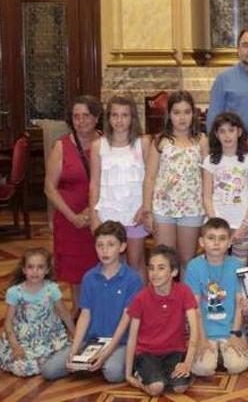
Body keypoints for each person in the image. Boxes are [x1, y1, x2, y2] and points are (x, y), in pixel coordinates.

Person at [41, 221, 143, 383]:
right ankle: (87, 362)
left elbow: (126, 319)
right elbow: (84, 315)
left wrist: (108, 351)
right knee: (49, 370)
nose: (105, 250)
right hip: (91, 341)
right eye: (100, 245)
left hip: (120, 342)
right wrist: (74, 350)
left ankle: (108, 361)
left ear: (122, 247)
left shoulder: (132, 280)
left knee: (113, 372)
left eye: (110, 245)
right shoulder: (89, 277)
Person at [44, 95, 102, 314]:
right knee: (74, 275)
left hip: (97, 216)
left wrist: (89, 212)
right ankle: (79, 316)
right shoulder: (61, 146)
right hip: (69, 219)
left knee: (100, 266)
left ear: (96, 118)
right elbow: (49, 187)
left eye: (86, 115)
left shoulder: (106, 143)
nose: (81, 121)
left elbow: (112, 181)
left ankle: (100, 315)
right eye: (76, 116)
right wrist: (72, 216)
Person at [143, 90, 208, 273]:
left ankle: (186, 300)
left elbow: (207, 177)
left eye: (187, 112)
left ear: (193, 114)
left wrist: (208, 207)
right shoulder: (160, 141)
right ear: (169, 115)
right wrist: (147, 210)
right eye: (177, 112)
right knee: (164, 258)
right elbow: (149, 177)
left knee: (188, 259)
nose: (182, 118)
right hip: (164, 207)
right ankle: (163, 300)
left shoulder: (201, 141)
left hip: (192, 208)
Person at [90, 96, 150, 282]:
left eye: (125, 115)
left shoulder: (143, 143)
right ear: (108, 118)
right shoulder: (98, 146)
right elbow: (94, 182)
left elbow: (150, 179)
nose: (119, 120)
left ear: (133, 118)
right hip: (108, 212)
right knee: (112, 263)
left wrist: (144, 208)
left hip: (135, 214)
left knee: (135, 262)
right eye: (114, 115)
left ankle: (139, 308)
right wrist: (93, 215)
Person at [125, 245, 199, 396]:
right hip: (147, 353)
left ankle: (164, 376)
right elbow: (132, 338)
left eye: (161, 268)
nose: (154, 273)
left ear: (174, 272)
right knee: (156, 388)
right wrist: (128, 375)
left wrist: (187, 363)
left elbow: (194, 331)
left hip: (175, 352)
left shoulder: (184, 292)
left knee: (179, 388)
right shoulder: (141, 298)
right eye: (151, 268)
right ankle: (144, 375)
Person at [184, 218, 248, 376]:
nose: (216, 243)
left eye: (222, 238)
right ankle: (216, 353)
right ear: (201, 241)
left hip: (230, 329)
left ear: (229, 242)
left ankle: (222, 352)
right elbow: (194, 308)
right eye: (211, 238)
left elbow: (239, 304)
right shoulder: (194, 266)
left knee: (238, 366)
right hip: (204, 330)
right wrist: (200, 337)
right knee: (203, 369)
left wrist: (235, 334)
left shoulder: (237, 265)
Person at [0, 248, 74, 377]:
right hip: (23, 340)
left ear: (47, 270)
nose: (35, 271)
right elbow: (8, 323)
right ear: (24, 270)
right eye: (30, 267)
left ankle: (49, 362)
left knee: (63, 353)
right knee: (20, 367)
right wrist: (15, 346)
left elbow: (64, 314)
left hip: (49, 338)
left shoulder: (51, 289)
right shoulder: (14, 292)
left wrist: (75, 333)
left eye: (40, 267)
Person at [203, 112, 248, 260]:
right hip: (217, 226)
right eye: (222, 131)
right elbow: (207, 197)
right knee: (216, 263)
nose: (227, 135)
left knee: (238, 267)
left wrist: (244, 226)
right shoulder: (210, 161)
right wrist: (215, 225)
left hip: (242, 225)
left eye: (231, 130)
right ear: (216, 134)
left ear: (239, 132)